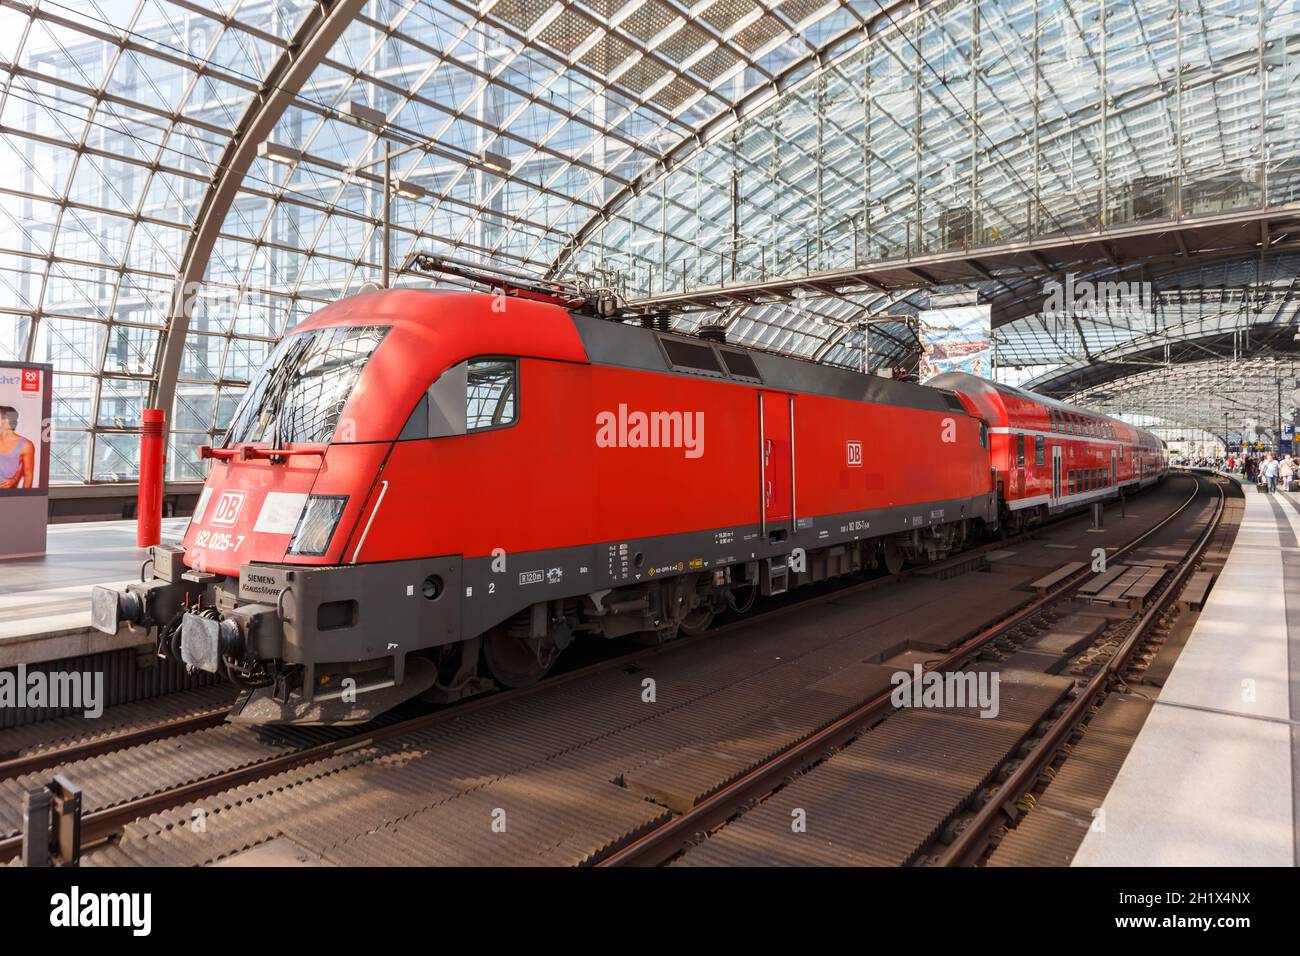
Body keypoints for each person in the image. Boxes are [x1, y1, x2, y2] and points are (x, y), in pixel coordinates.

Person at [0, 405, 35, 490]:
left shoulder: (26, 445)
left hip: (7, 496)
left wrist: (24, 500)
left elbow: (28, 475)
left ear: (7, 420)